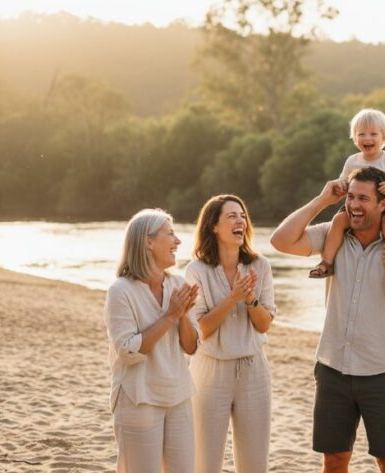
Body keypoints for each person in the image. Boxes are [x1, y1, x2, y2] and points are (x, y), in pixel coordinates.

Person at [270, 166, 385, 473]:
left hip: (383, 373)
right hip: (333, 370)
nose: (354, 205)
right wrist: (322, 201)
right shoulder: (331, 237)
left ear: (382, 204)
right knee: (334, 461)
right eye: (351, 197)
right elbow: (280, 241)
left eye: (363, 198)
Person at [104, 208, 201, 473]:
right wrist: (170, 315)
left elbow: (191, 346)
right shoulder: (120, 291)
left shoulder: (178, 283)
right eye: (170, 234)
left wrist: (182, 316)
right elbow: (127, 351)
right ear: (148, 242)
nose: (178, 241)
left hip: (178, 394)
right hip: (138, 397)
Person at [184, 194, 275, 473]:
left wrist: (249, 300)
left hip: (253, 369)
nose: (240, 221)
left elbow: (264, 324)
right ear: (213, 226)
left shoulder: (260, 265)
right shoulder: (196, 270)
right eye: (232, 216)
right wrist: (232, 297)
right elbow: (201, 330)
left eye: (242, 215)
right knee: (205, 462)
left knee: (254, 463)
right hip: (209, 370)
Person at [308, 108, 385, 298]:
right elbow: (343, 180)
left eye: (373, 134)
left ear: (384, 137)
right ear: (355, 139)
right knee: (338, 222)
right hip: (357, 206)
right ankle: (327, 263)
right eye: (361, 134)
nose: (367, 138)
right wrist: (340, 185)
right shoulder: (352, 161)